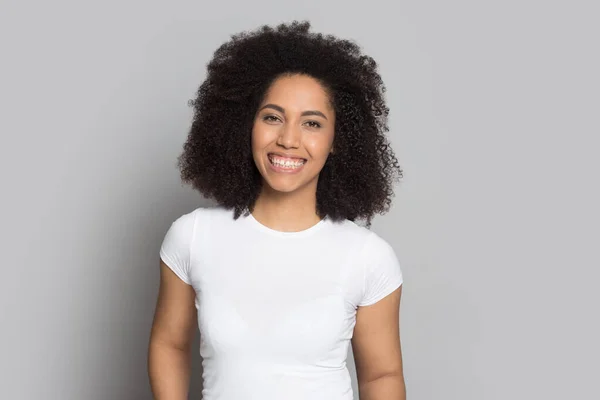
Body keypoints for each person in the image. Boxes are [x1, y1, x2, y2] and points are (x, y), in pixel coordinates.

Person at [148, 20, 406, 400]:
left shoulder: (368, 256)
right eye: (272, 117)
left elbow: (382, 376)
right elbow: (168, 344)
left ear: (337, 141)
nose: (288, 139)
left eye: (312, 123)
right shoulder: (193, 237)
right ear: (245, 125)